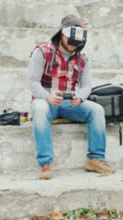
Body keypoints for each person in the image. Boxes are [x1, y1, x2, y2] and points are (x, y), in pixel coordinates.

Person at [29, 15, 115, 180]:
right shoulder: (41, 52)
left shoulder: (82, 58)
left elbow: (86, 86)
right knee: (39, 110)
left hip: (70, 102)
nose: (74, 46)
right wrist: (47, 97)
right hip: (45, 100)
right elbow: (33, 82)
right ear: (61, 34)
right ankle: (45, 164)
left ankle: (95, 159)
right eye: (71, 41)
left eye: (78, 43)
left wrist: (80, 97)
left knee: (96, 109)